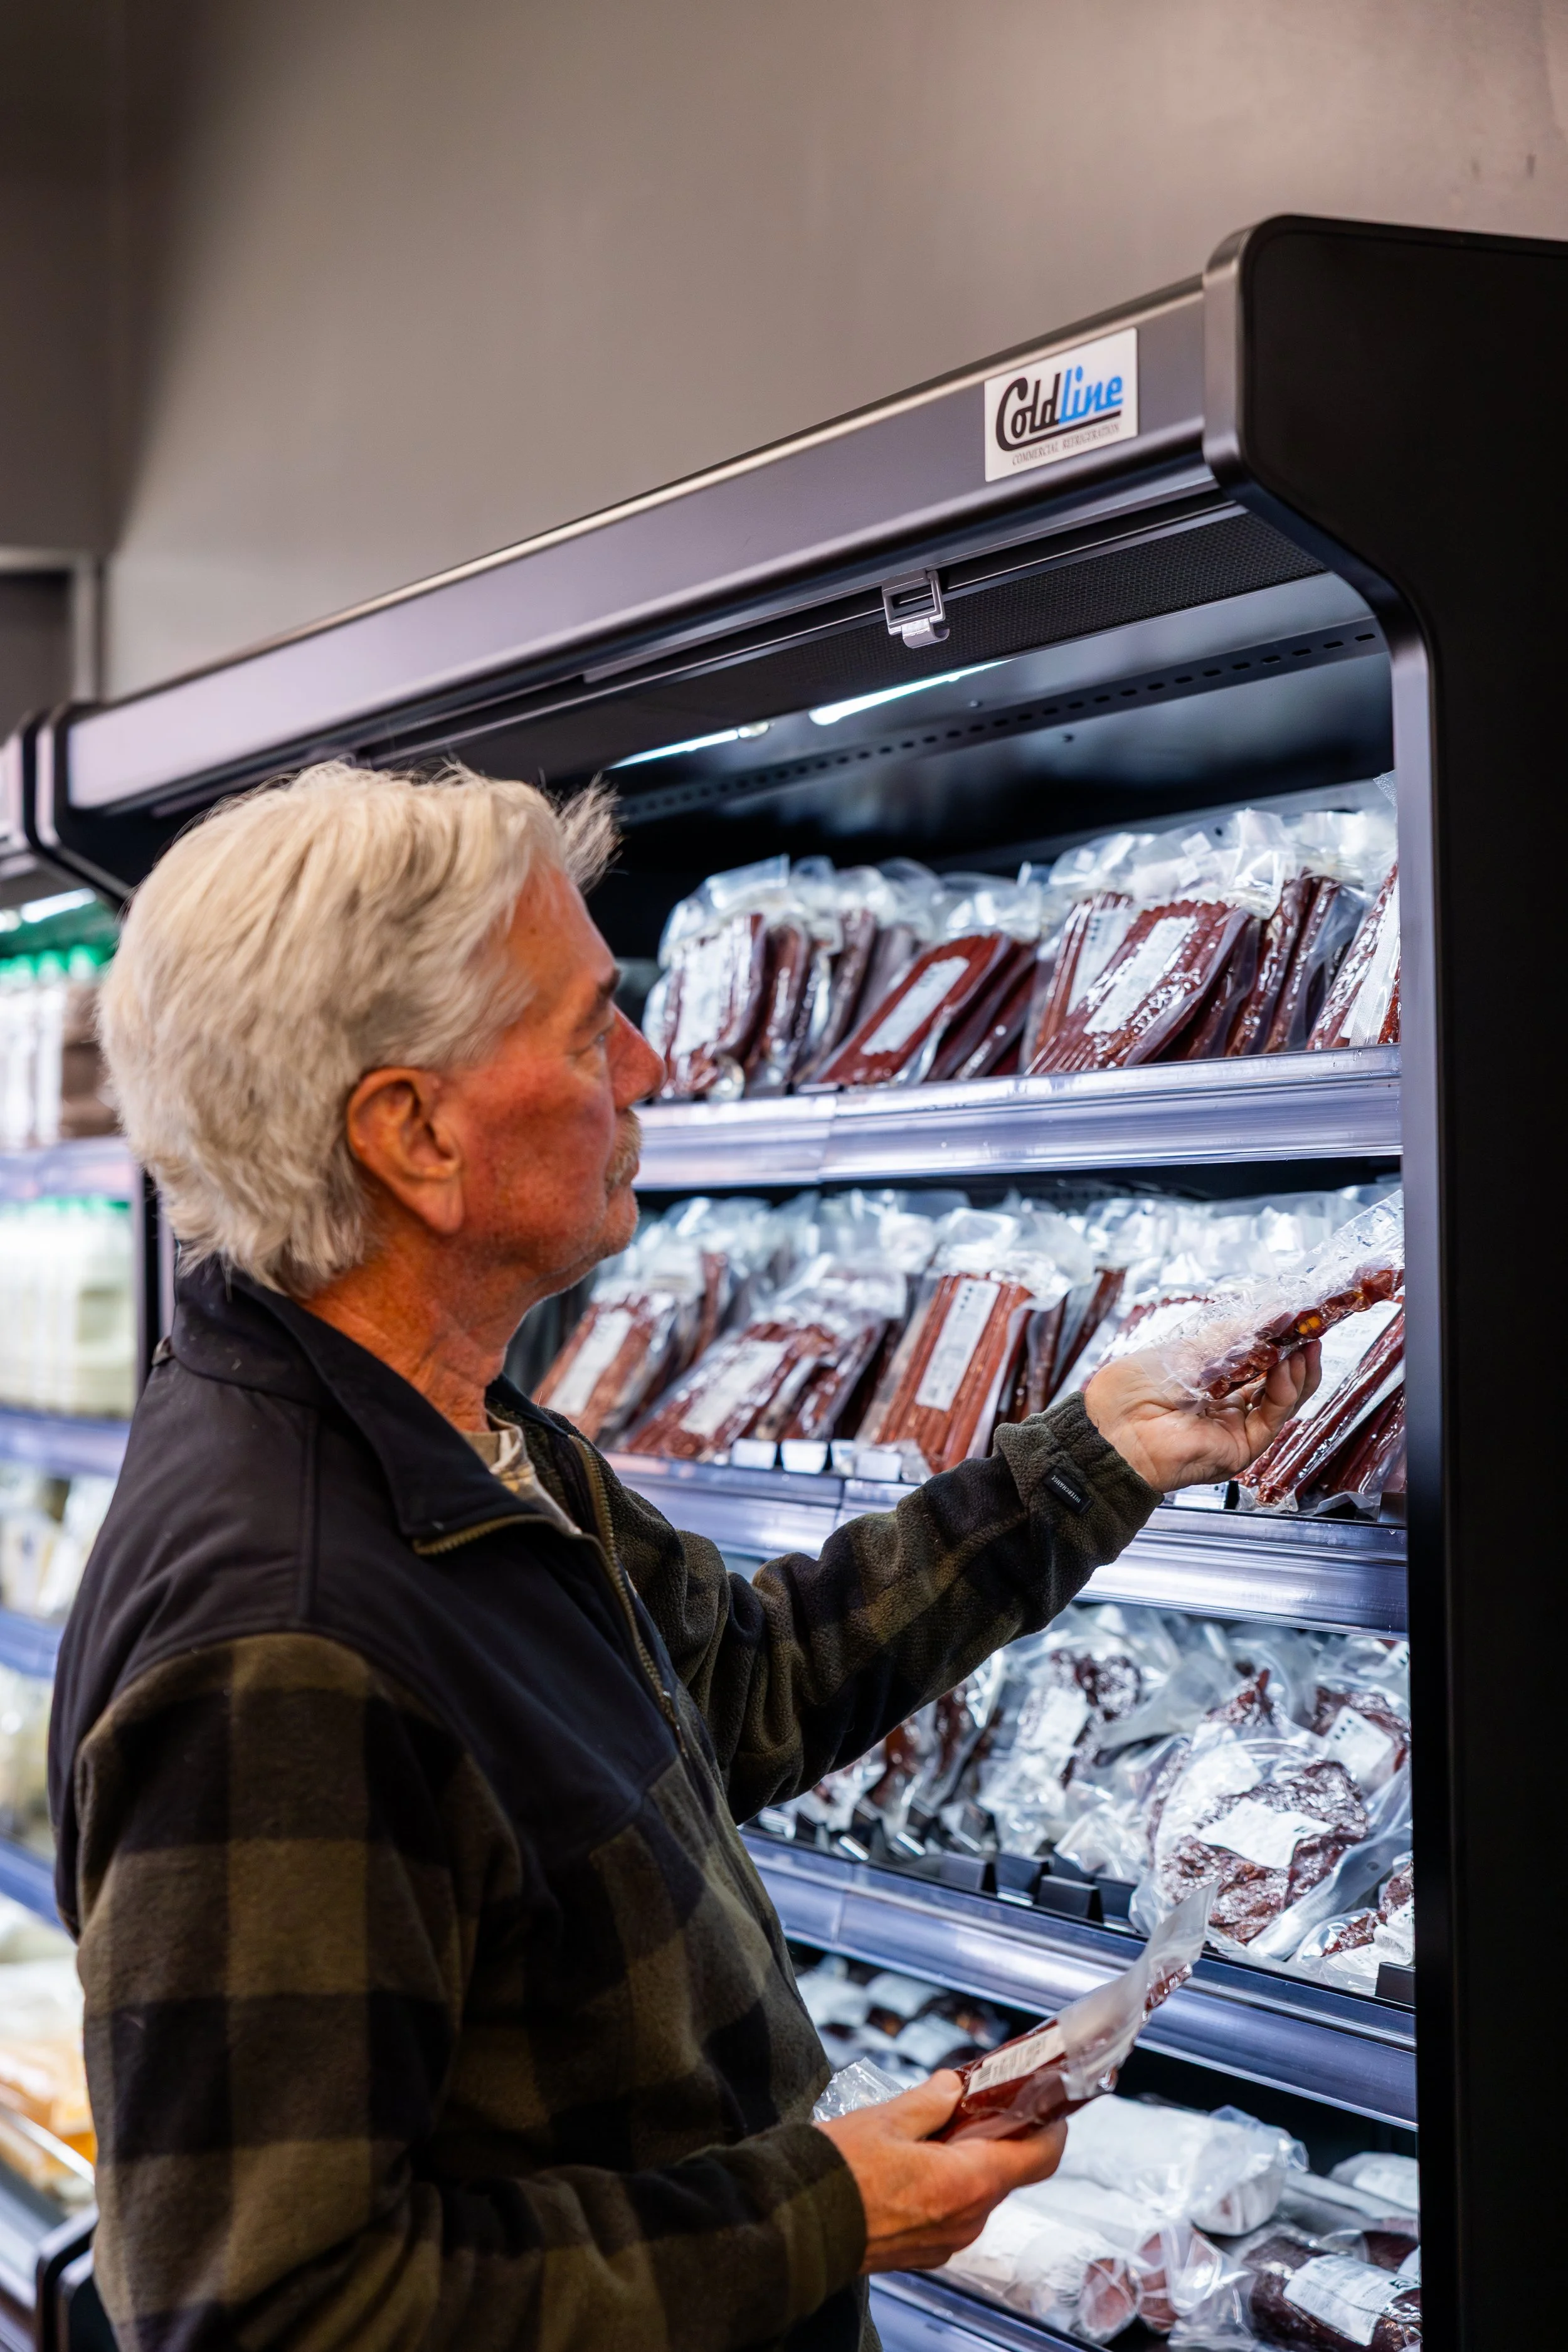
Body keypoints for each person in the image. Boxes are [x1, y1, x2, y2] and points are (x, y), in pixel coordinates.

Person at [50, 763, 1316, 2352]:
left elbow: (738, 1683)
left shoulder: (453, 1442)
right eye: (589, 1026)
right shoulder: (286, 1640)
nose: (647, 1061)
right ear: (412, 1133)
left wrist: (1096, 1454)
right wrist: (824, 2209)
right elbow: (274, 2309)